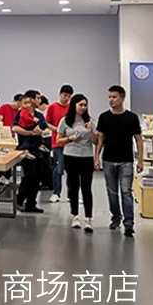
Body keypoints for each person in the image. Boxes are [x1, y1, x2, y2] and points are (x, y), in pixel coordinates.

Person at [94, 85, 143, 237]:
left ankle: (129, 223)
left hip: (126, 161)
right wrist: (96, 157)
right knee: (112, 192)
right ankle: (116, 217)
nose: (111, 100)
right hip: (108, 159)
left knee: (126, 192)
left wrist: (140, 160)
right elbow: (100, 139)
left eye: (114, 97)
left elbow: (138, 139)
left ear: (122, 98)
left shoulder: (131, 118)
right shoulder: (104, 117)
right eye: (109, 97)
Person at [56, 93, 98, 232]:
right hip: (71, 156)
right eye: (80, 105)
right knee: (73, 187)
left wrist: (91, 132)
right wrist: (70, 138)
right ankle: (75, 216)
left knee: (86, 187)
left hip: (86, 157)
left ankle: (88, 218)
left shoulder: (90, 121)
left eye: (85, 105)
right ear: (74, 105)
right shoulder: (65, 121)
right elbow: (58, 140)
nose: (83, 107)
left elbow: (96, 141)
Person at [14, 90, 48, 213]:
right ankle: (19, 199)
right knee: (29, 175)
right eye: (37, 98)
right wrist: (30, 133)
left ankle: (31, 203)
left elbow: (46, 128)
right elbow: (15, 128)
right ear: (31, 99)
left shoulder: (39, 115)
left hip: (37, 149)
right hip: (25, 149)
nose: (39, 100)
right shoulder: (20, 114)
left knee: (38, 177)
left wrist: (40, 131)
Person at [45, 84, 74, 203]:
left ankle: (72, 195)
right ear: (60, 94)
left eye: (69, 96)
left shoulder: (72, 108)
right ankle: (56, 193)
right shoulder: (52, 107)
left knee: (72, 170)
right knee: (58, 169)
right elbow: (47, 123)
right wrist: (58, 130)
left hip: (71, 143)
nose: (66, 98)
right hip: (57, 143)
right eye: (65, 95)